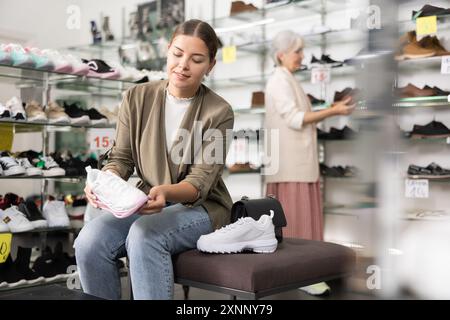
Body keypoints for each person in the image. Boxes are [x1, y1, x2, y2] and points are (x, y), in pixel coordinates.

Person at [75, 19, 234, 300]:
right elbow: (120, 158)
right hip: (148, 202)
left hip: (201, 207)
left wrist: (165, 192)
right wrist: (105, 181)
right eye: (177, 54)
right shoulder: (136, 97)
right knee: (89, 240)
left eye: (196, 59)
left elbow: (199, 183)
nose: (183, 65)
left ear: (210, 66)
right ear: (167, 51)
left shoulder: (219, 111)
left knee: (144, 234)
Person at [264, 30, 355, 295]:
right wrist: (334, 110)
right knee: (295, 220)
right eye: (298, 51)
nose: (302, 56)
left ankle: (308, 271)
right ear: (282, 55)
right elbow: (295, 118)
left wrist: (330, 109)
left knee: (300, 218)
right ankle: (301, 274)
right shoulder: (279, 81)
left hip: (296, 162)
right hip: (289, 164)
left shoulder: (287, 79)